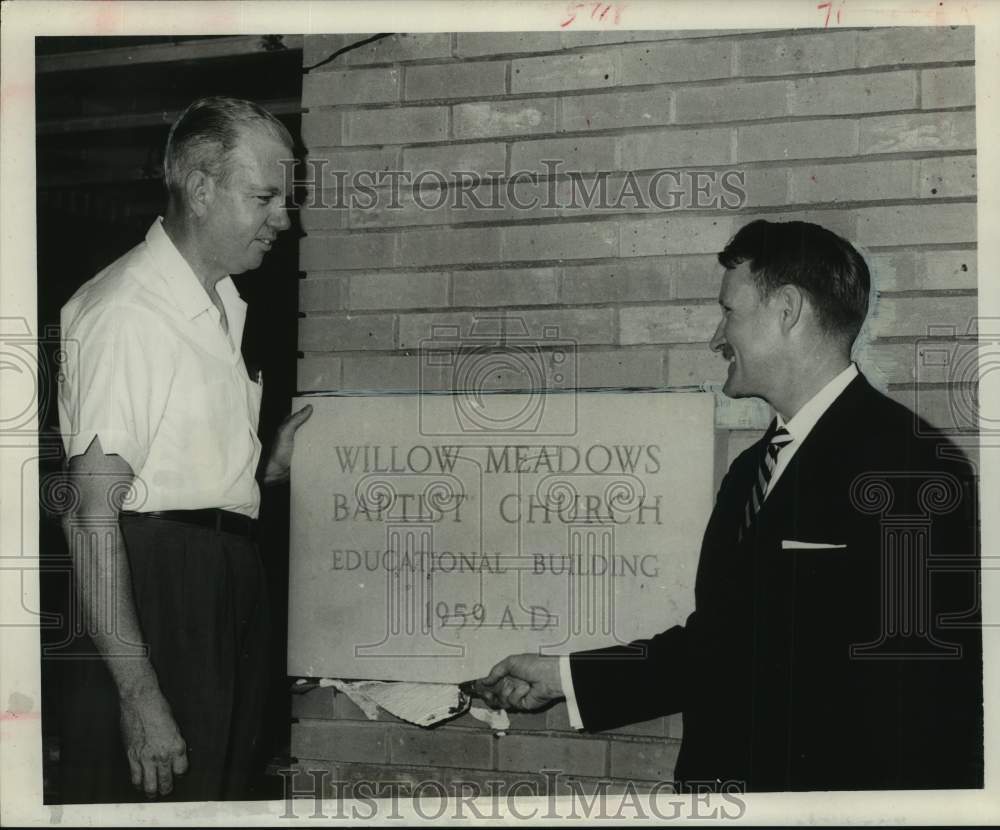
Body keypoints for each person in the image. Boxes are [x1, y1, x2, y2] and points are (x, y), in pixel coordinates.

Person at [478, 219, 983, 792]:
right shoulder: (751, 470)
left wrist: (568, 677)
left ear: (787, 310)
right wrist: (561, 677)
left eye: (730, 312)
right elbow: (724, 639)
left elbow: (918, 697)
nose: (716, 338)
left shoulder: (910, 466)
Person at [56, 97, 311, 803]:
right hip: (158, 593)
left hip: (221, 580)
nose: (283, 220)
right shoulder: (130, 311)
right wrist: (139, 696)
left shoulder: (216, 302)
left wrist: (264, 470)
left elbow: (172, 470)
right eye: (263, 197)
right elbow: (89, 518)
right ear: (199, 190)